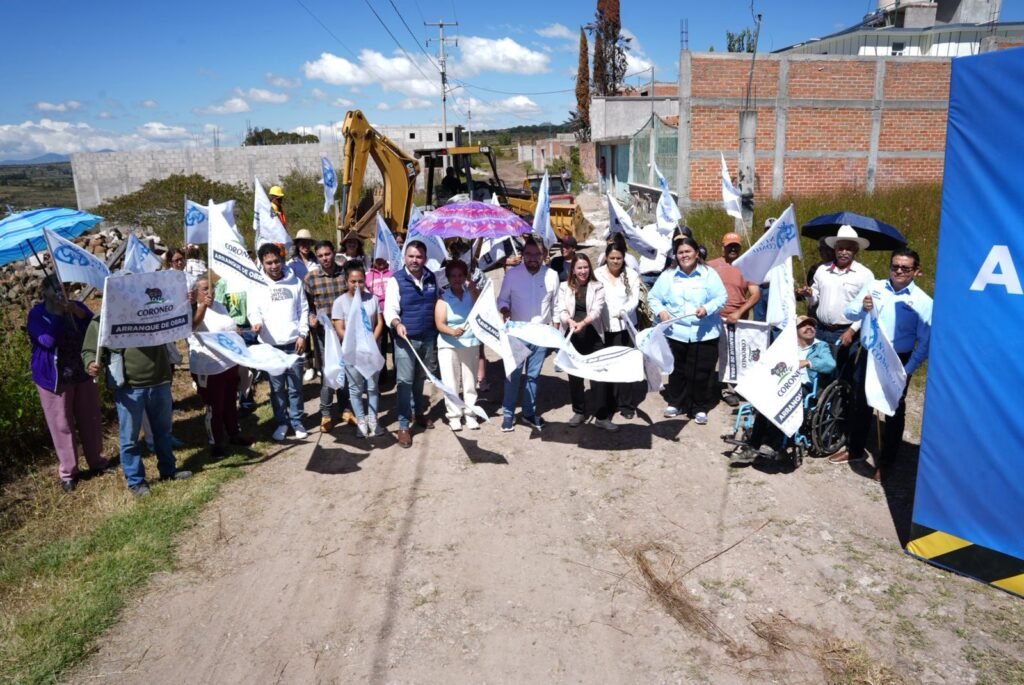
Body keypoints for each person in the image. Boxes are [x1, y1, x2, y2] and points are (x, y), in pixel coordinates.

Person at [830, 248, 932, 481]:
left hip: (897, 359)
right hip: (869, 354)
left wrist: (908, 369)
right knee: (861, 402)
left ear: (916, 271)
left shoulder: (924, 302)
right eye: (895, 266)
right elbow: (850, 312)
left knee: (893, 409)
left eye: (905, 268)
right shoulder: (874, 287)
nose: (899, 271)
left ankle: (886, 460)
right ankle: (855, 449)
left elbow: (926, 342)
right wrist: (862, 308)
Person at [82, 309, 192, 499]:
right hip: (128, 387)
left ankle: (168, 470)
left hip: (160, 380)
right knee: (130, 438)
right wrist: (90, 362)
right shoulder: (105, 315)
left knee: (163, 432)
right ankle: (137, 482)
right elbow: (89, 350)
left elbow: (179, 320)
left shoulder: (154, 308)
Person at [28, 276, 111, 492]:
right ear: (45, 291)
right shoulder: (37, 314)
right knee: (62, 424)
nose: (60, 292)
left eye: (63, 288)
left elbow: (96, 327)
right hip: (55, 377)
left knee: (90, 418)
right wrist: (58, 314)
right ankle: (69, 472)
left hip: (81, 371)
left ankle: (96, 461)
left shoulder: (75, 306)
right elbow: (47, 341)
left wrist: (77, 313)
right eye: (55, 288)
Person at [730, 315, 836, 465]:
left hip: (804, 386)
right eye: (804, 325)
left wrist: (808, 362)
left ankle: (773, 445)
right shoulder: (785, 345)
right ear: (795, 330)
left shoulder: (820, 346)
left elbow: (830, 364)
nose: (809, 328)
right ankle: (753, 447)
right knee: (764, 406)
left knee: (780, 402)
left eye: (812, 325)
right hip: (781, 383)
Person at [648, 237, 727, 425]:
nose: (684, 255)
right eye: (680, 252)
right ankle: (676, 402)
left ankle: (699, 407)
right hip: (676, 333)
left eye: (688, 251)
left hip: (705, 333)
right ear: (676, 255)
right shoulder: (668, 276)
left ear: (696, 253)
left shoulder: (709, 274)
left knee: (701, 372)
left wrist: (707, 308)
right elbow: (653, 298)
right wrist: (661, 312)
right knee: (677, 370)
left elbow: (721, 297)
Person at [497, 237, 560, 432]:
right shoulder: (512, 275)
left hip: (541, 333)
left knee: (533, 376)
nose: (533, 258)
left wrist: (556, 330)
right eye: (529, 254)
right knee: (513, 375)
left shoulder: (552, 275)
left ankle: (529, 413)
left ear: (544, 255)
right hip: (517, 332)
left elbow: (556, 305)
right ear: (523, 255)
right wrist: (505, 309)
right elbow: (501, 300)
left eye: (537, 254)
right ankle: (508, 414)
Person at [188, 274, 252, 458]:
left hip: (228, 363)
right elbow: (192, 326)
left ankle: (234, 434)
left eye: (212, 288)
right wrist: (202, 306)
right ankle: (216, 442)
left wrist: (237, 330)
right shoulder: (191, 308)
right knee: (214, 406)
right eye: (205, 289)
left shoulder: (220, 306)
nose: (210, 292)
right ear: (195, 292)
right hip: (208, 366)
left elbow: (229, 326)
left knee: (230, 401)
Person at [249, 243, 309, 441]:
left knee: (295, 387)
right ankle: (282, 422)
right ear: (262, 263)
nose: (274, 266)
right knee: (277, 389)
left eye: (276, 261)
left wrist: (302, 334)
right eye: (269, 263)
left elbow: (303, 310)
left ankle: (297, 421)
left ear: (282, 260)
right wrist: (256, 322)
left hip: (294, 344)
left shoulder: (295, 282)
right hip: (271, 346)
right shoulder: (256, 285)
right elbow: (253, 310)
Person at [385, 240, 440, 448]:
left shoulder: (432, 277)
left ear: (425, 258)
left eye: (419, 256)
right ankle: (403, 425)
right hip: (405, 340)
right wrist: (397, 323)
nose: (415, 260)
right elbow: (390, 310)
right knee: (404, 381)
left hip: (428, 337)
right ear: (405, 257)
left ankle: (418, 413)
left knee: (419, 379)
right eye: (411, 256)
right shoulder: (396, 280)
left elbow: (437, 302)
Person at [797, 225, 875, 371]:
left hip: (844, 331)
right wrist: (809, 294)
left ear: (855, 250)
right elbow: (814, 299)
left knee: (842, 370)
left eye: (848, 249)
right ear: (835, 249)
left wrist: (851, 331)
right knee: (818, 368)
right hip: (820, 329)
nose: (844, 252)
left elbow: (867, 308)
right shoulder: (822, 270)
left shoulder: (865, 274)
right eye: (840, 248)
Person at [558, 254, 618, 431]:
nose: (583, 271)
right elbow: (561, 309)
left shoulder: (597, 286)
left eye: (585, 267)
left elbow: (597, 311)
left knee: (598, 376)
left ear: (589, 269)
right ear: (573, 270)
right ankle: (579, 411)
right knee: (575, 376)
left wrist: (583, 323)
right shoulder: (564, 287)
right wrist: (569, 321)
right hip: (572, 335)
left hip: (593, 335)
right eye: (579, 268)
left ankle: (601, 416)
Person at [332, 262, 385, 438]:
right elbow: (339, 328)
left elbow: (379, 323)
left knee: (372, 388)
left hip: (371, 352)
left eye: (360, 281)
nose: (357, 285)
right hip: (352, 353)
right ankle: (361, 421)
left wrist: (370, 343)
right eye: (353, 281)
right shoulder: (340, 302)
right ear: (346, 281)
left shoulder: (372, 299)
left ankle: (373, 421)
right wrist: (355, 344)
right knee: (355, 389)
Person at [707, 232, 761, 407]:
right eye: (729, 246)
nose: (733, 249)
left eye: (736, 246)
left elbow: (755, 294)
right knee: (710, 355)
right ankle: (707, 388)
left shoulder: (748, 267)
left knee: (734, 355)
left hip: (737, 321)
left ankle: (729, 389)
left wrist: (739, 312)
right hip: (713, 318)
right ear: (723, 247)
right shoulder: (711, 266)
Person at [303, 240, 350, 430]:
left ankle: (345, 408)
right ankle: (326, 413)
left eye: (328, 254)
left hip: (344, 332)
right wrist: (311, 318)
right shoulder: (311, 278)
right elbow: (307, 307)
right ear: (317, 257)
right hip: (323, 335)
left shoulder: (345, 274)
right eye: (321, 255)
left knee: (345, 370)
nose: (325, 258)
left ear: (334, 253)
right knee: (328, 372)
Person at [594, 242, 642, 419]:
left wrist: (623, 311)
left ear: (624, 258)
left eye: (619, 258)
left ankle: (626, 405)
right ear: (606, 257)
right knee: (606, 366)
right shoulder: (597, 274)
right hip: (604, 327)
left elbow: (634, 300)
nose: (615, 261)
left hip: (625, 327)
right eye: (612, 258)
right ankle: (608, 403)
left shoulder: (632, 275)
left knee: (625, 366)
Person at [434, 259, 482, 431]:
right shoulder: (443, 298)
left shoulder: (472, 293)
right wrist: (452, 331)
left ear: (465, 277)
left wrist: (474, 291)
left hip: (470, 342)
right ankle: (454, 415)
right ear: (448, 278)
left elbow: (480, 310)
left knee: (470, 382)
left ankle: (470, 414)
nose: (457, 279)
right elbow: (439, 324)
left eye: (460, 275)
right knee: (450, 382)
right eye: (453, 276)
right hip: (449, 344)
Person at [366, 256, 394, 381]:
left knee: (395, 344)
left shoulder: (392, 274)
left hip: (392, 313)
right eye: (378, 260)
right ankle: (381, 374)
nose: (381, 263)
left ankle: (397, 373)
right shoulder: (368, 276)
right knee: (380, 344)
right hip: (377, 314)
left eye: (383, 260)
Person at [800, 238, 835, 320]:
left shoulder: (842, 269)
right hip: (815, 313)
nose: (824, 252)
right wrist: (802, 292)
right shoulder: (815, 268)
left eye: (828, 249)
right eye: (821, 249)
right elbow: (810, 291)